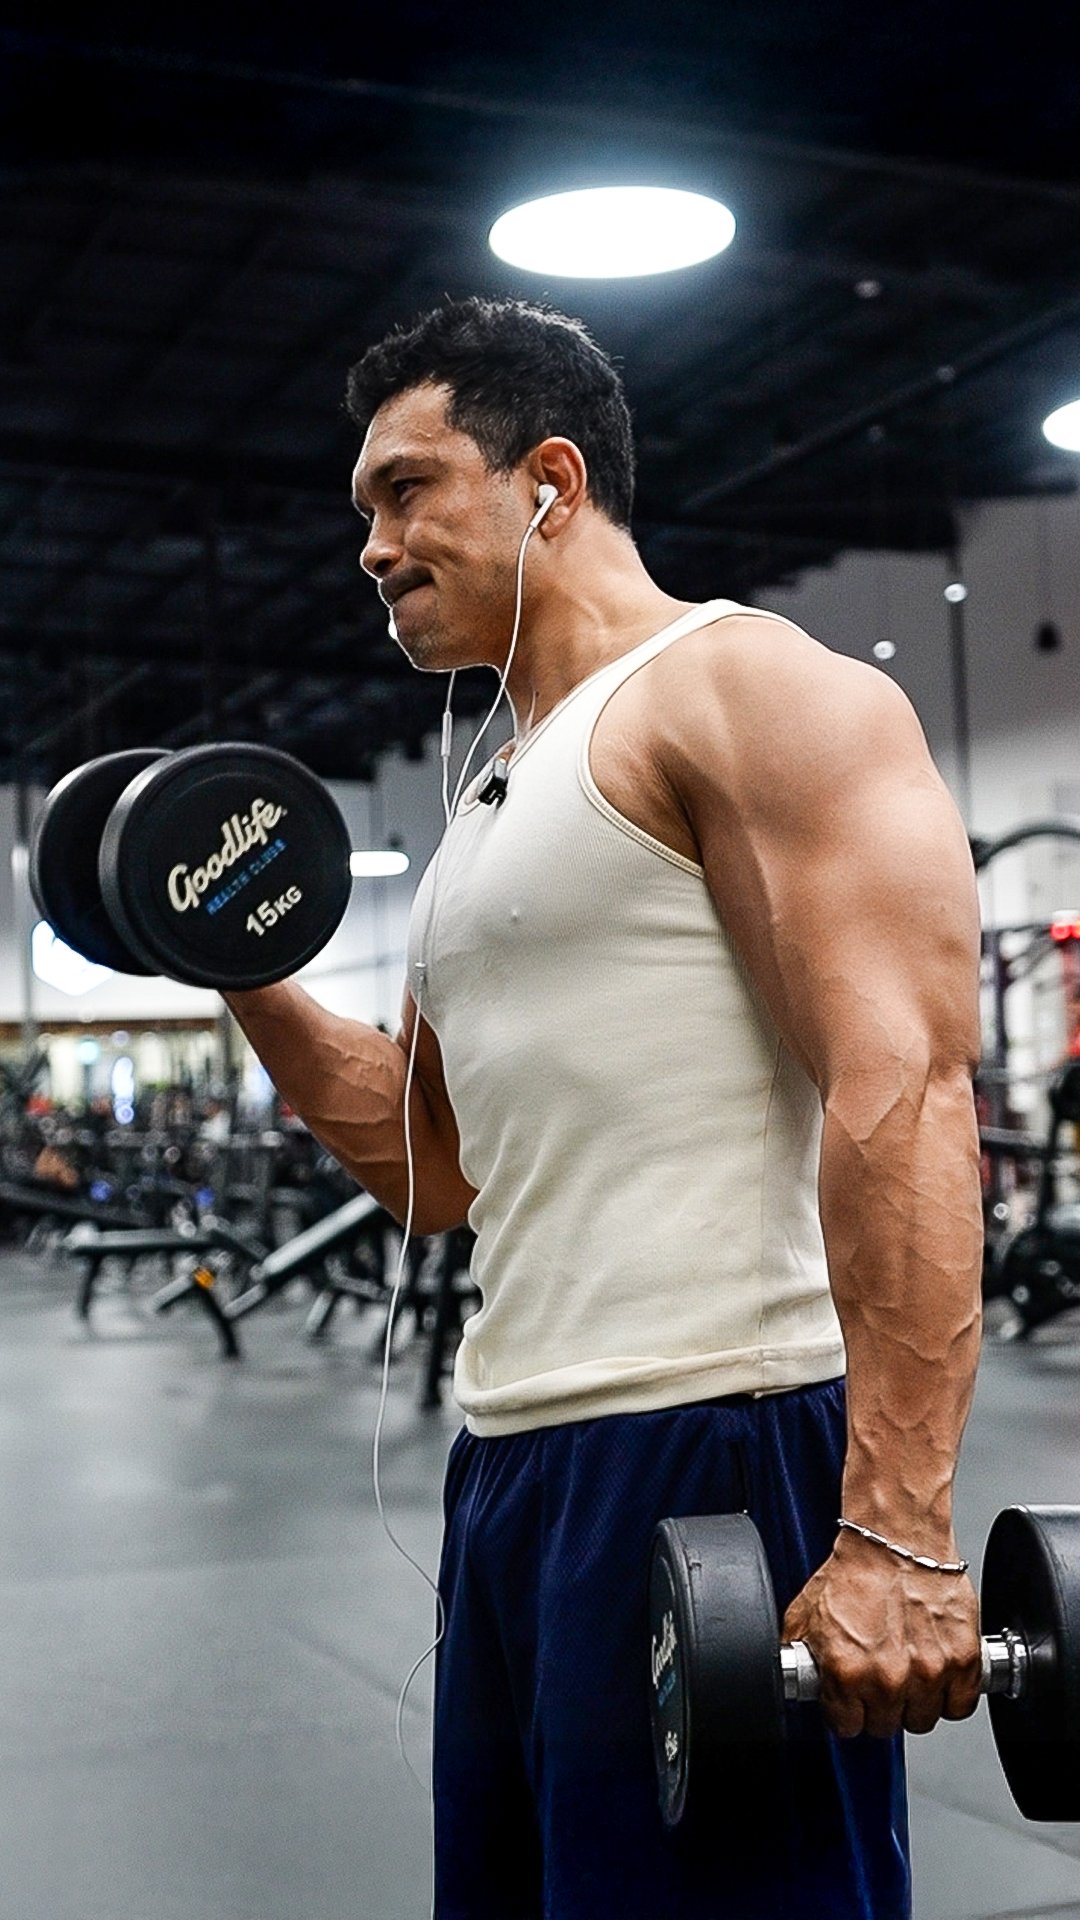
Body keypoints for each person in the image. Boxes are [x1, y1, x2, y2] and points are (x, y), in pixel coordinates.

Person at [225, 297, 984, 1919]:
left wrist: (900, 1534)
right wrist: (245, 971)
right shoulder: (488, 802)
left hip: (718, 1444)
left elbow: (907, 1089)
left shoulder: (741, 689)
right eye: (364, 510)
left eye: (406, 491)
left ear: (549, 483)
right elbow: (435, 1169)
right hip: (515, 1470)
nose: (372, 548)